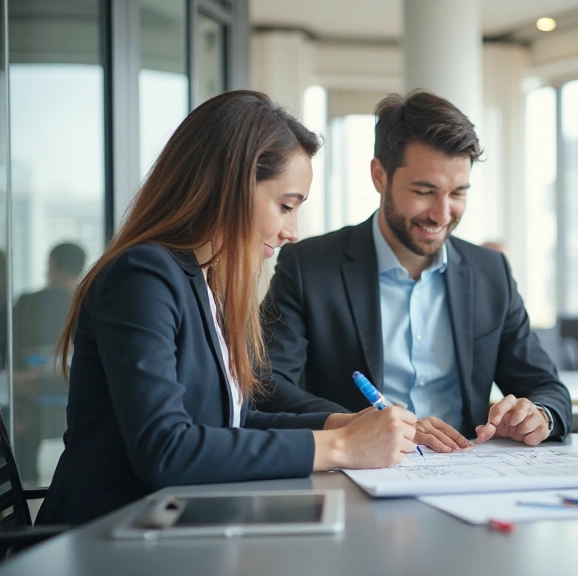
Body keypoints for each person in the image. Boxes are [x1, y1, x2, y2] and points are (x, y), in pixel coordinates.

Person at [36, 90, 417, 526]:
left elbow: (232, 420)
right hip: (108, 537)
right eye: (286, 206)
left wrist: (343, 425)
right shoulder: (142, 275)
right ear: (231, 185)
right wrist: (343, 448)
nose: (292, 231)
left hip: (169, 525)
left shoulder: (200, 280)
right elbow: (166, 450)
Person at [257, 91, 571, 451]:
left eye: (458, 193)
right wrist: (356, 424)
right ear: (380, 176)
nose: (442, 214)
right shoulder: (311, 266)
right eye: (424, 191)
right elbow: (268, 386)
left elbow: (548, 389)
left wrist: (539, 414)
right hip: (361, 468)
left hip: (469, 471)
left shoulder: (490, 272)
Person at [11, 242, 87, 486]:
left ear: (52, 265)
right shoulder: (86, 303)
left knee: (24, 465)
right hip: (72, 402)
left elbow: (12, 352)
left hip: (29, 402)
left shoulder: (28, 303)